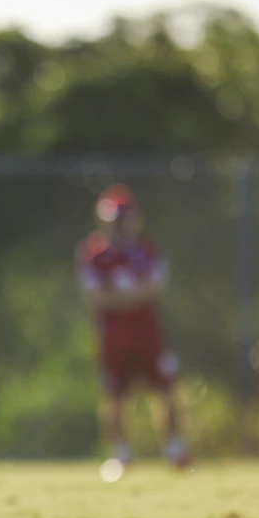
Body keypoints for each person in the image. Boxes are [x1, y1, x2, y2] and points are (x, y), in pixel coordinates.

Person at [76, 184, 191, 477]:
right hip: (113, 339)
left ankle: (176, 449)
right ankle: (121, 454)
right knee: (114, 398)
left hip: (148, 336)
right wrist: (133, 295)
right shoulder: (94, 253)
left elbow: (157, 288)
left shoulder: (147, 250)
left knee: (167, 392)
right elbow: (94, 296)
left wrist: (119, 295)